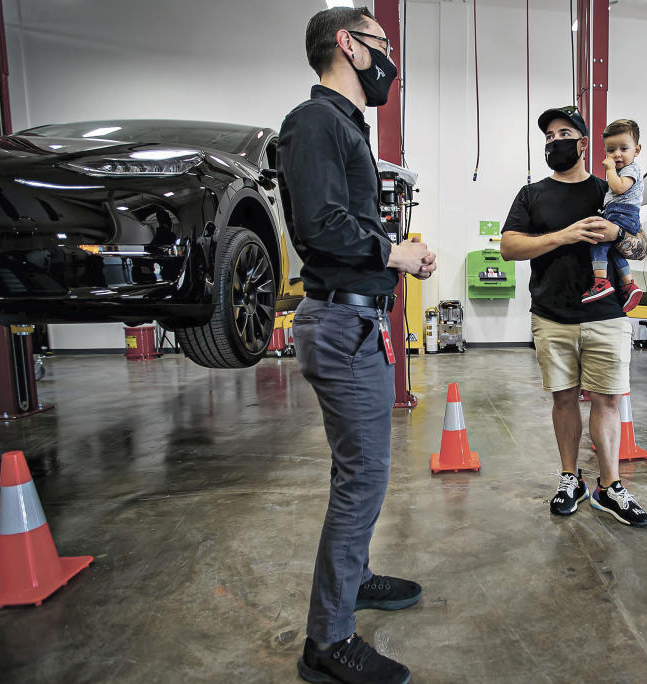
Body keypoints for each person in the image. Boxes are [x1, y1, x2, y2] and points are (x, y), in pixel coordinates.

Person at [277, 7, 436, 684]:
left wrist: (395, 258)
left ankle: (357, 577)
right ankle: (329, 641)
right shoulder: (313, 123)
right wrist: (395, 251)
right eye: (383, 46)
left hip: (354, 321)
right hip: (341, 325)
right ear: (348, 44)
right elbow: (318, 224)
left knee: (359, 474)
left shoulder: (342, 127)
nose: (389, 60)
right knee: (362, 480)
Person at [501, 105, 647, 527]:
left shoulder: (612, 189)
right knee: (563, 398)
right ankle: (571, 478)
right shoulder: (532, 194)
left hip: (606, 313)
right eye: (548, 136)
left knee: (607, 399)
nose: (554, 141)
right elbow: (509, 247)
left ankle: (610, 485)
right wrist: (562, 236)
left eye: (563, 133)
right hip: (552, 314)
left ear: (584, 143)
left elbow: (640, 246)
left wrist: (617, 234)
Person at [582, 119, 645, 313]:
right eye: (611, 150)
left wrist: (609, 169)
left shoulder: (629, 170)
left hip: (622, 213)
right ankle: (628, 284)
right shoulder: (622, 171)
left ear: (637, 150)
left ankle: (601, 281)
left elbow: (618, 188)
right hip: (620, 212)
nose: (617, 154)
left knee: (599, 241)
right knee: (613, 251)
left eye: (623, 148)